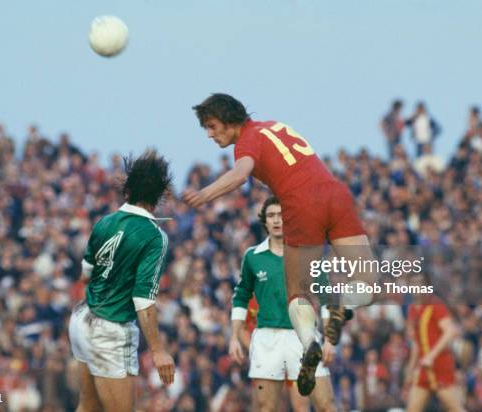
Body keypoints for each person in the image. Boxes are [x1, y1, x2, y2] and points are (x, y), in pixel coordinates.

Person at [183, 93, 377, 396]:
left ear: (229, 120)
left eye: (211, 126)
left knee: (296, 294)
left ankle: (309, 344)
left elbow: (241, 173)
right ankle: (342, 304)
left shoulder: (247, 140)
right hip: (335, 194)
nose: (209, 134)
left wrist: (205, 195)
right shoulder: (274, 126)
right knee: (368, 281)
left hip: (302, 203)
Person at [68, 150, 175, 412]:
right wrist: (158, 350)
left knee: (88, 406)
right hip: (111, 328)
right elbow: (142, 299)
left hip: (83, 318)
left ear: (127, 191)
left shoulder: (104, 222)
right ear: (159, 195)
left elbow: (85, 276)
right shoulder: (154, 236)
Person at [229, 197, 336, 411]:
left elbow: (327, 296)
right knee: (266, 408)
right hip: (267, 339)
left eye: (281, 215)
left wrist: (330, 339)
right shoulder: (252, 256)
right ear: (265, 222)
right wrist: (234, 336)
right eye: (271, 216)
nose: (277, 220)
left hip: (304, 339)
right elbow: (241, 296)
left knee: (325, 405)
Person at [404, 274, 464, 412]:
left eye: (419, 283)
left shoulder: (435, 305)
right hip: (423, 367)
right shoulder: (412, 309)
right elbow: (416, 343)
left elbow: (450, 331)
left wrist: (431, 355)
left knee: (454, 408)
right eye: (412, 283)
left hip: (440, 366)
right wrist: (410, 368)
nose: (415, 287)